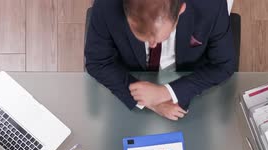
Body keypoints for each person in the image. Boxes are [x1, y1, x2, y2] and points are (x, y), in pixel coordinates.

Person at [85, 0, 236, 121]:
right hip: (128, 78)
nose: (151, 44)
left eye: (157, 37)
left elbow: (223, 65)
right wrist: (150, 102)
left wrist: (167, 92)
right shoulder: (106, 4)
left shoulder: (211, 5)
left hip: (191, 83)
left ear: (181, 9)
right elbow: (98, 62)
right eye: (142, 35)